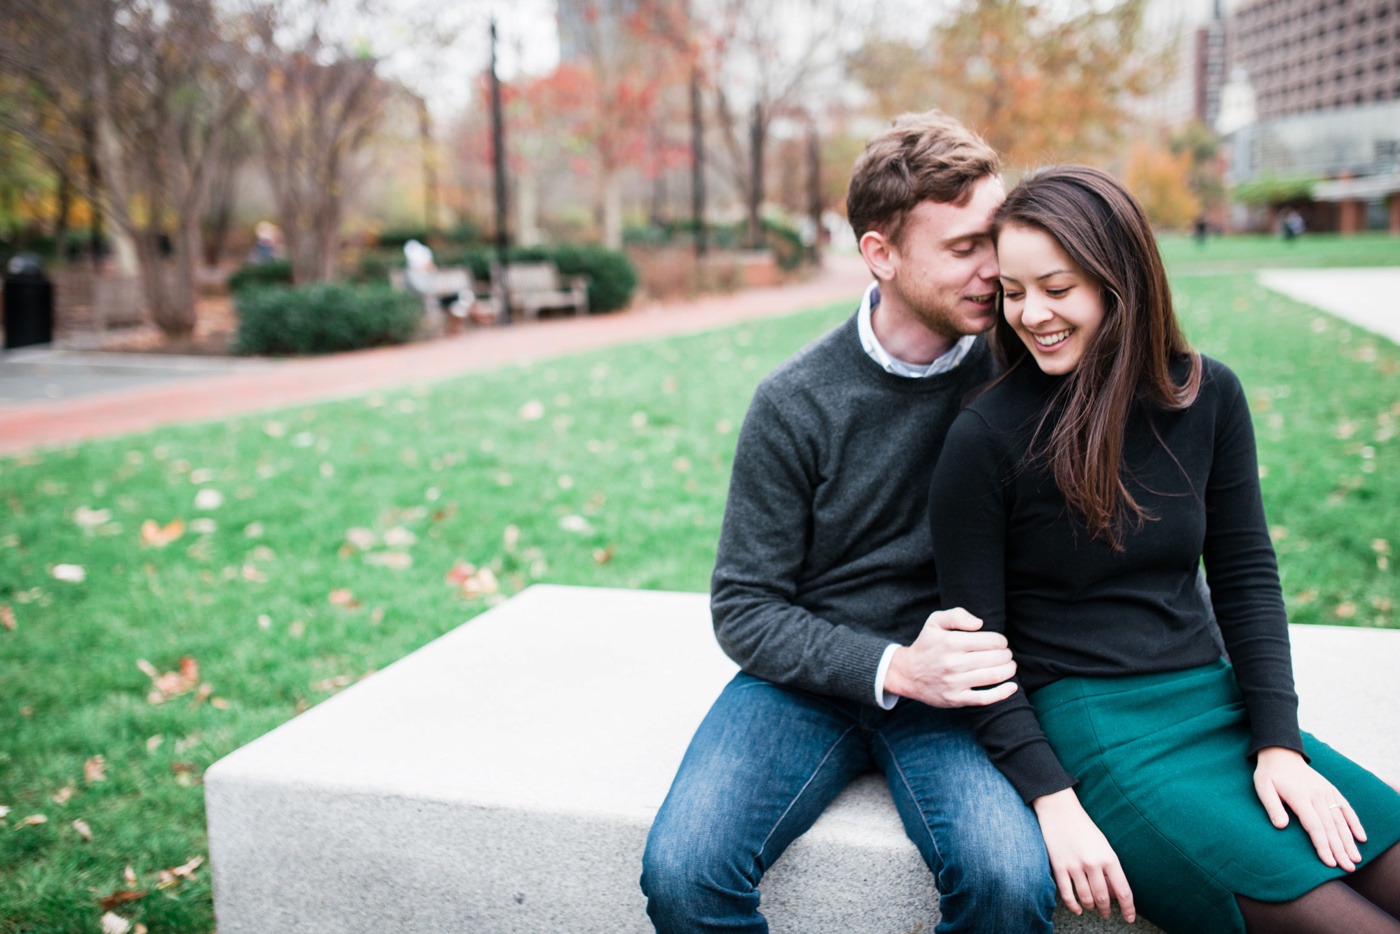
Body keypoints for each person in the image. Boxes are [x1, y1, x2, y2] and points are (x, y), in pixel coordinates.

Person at [928, 164, 1400, 934]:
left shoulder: (1208, 395)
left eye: (1057, 287)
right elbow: (979, 655)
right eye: (1013, 292)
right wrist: (1054, 798)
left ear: (1121, 281)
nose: (1031, 314)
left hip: (1217, 701)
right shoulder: (984, 439)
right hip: (1100, 734)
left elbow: (1246, 578)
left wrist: (1278, 742)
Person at [640, 111, 1056, 933]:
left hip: (962, 688)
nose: (992, 270)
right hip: (806, 686)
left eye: (997, 239)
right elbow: (745, 606)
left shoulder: (1025, 371)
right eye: (964, 247)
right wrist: (896, 667)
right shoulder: (794, 402)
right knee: (685, 875)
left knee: (1009, 886)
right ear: (881, 254)